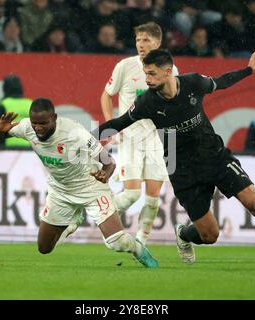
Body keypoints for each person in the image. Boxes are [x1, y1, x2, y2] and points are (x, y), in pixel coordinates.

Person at [94, 48, 255, 271]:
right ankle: (183, 233)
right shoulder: (146, 103)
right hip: (182, 170)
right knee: (210, 235)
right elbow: (120, 122)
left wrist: (248, 70)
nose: (147, 79)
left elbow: (222, 82)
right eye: (145, 73)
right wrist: (87, 139)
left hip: (214, 156)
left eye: (151, 74)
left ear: (168, 72)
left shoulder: (193, 83)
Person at [0, 98, 158, 268]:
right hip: (60, 191)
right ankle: (74, 219)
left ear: (54, 118)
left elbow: (109, 162)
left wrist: (105, 175)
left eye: (43, 123)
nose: (38, 128)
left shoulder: (75, 133)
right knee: (44, 248)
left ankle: (139, 249)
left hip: (90, 187)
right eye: (35, 123)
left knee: (117, 242)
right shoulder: (28, 127)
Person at [100, 22, 178, 245]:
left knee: (153, 199)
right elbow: (106, 95)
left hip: (160, 139)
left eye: (146, 40)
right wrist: (111, 125)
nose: (141, 45)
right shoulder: (125, 66)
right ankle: (99, 214)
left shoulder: (170, 69)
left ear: (158, 42)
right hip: (130, 137)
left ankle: (142, 242)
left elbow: (175, 102)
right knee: (132, 194)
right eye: (138, 40)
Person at [0, 75, 32, 147]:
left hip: (9, 151)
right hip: (29, 150)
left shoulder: (3, 105)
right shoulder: (31, 104)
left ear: (5, 88)